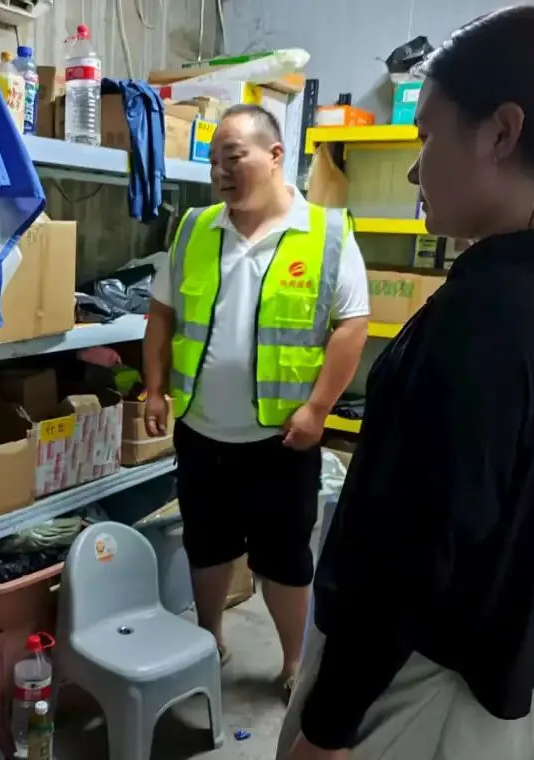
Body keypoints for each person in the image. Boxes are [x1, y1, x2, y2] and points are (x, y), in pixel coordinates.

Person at [264, 8, 534, 760]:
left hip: (422, 703)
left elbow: (409, 555)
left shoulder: (487, 314)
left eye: (428, 136)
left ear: (501, 132)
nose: (415, 171)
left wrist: (329, 726)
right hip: (533, 698)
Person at [143, 104, 370, 701]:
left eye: (233, 157)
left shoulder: (325, 232)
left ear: (274, 156)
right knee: (206, 544)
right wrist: (155, 388)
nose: (220, 171)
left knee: (285, 559)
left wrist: (318, 409)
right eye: (213, 162)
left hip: (280, 440)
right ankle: (209, 638)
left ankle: (294, 662)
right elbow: (161, 314)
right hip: (201, 432)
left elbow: (352, 325)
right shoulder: (194, 228)